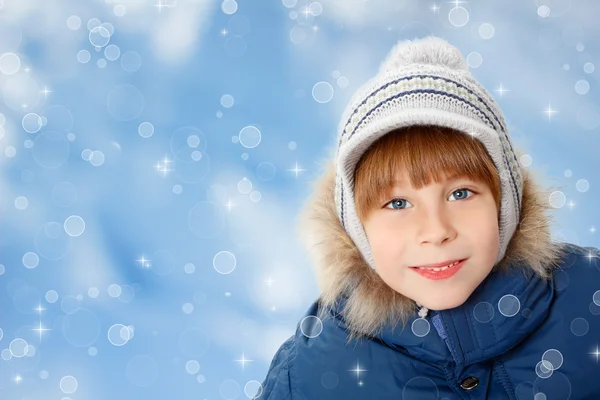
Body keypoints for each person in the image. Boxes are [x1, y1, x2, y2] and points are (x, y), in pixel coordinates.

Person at [254, 36, 600, 399]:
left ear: (504, 202)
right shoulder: (309, 377)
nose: (436, 232)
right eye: (398, 204)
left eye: (460, 194)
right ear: (357, 226)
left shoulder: (589, 296)